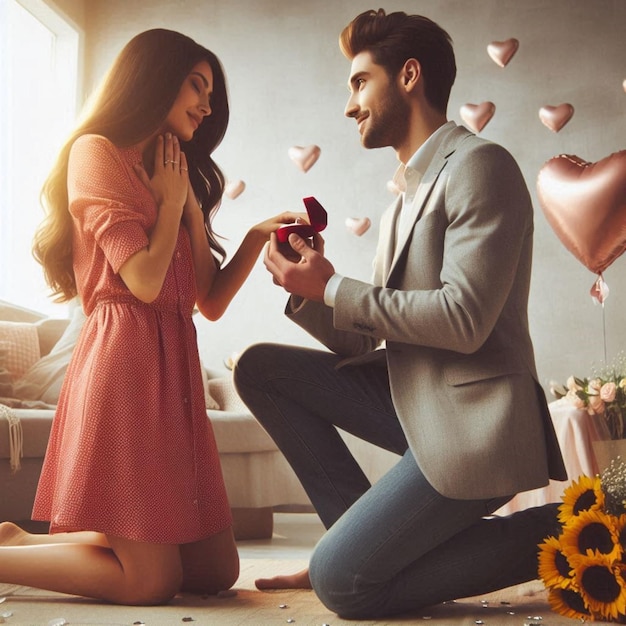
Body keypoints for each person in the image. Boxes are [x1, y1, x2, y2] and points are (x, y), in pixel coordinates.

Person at [233, 8, 568, 620]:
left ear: (409, 75)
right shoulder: (402, 201)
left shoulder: (479, 165)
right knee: (260, 369)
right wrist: (311, 290)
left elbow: (464, 320)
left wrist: (335, 286)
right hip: (416, 403)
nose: (349, 104)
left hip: (475, 423)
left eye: (360, 82)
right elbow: (364, 345)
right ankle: (355, 545)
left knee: (342, 585)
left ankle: (583, 527)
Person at [0, 29, 305, 605]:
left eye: (211, 93)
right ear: (152, 80)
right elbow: (141, 281)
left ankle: (19, 540)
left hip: (174, 373)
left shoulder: (176, 168)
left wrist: (255, 235)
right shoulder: (95, 152)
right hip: (122, 366)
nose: (207, 106)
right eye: (197, 86)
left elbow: (206, 302)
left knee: (215, 571)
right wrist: (170, 204)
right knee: (152, 582)